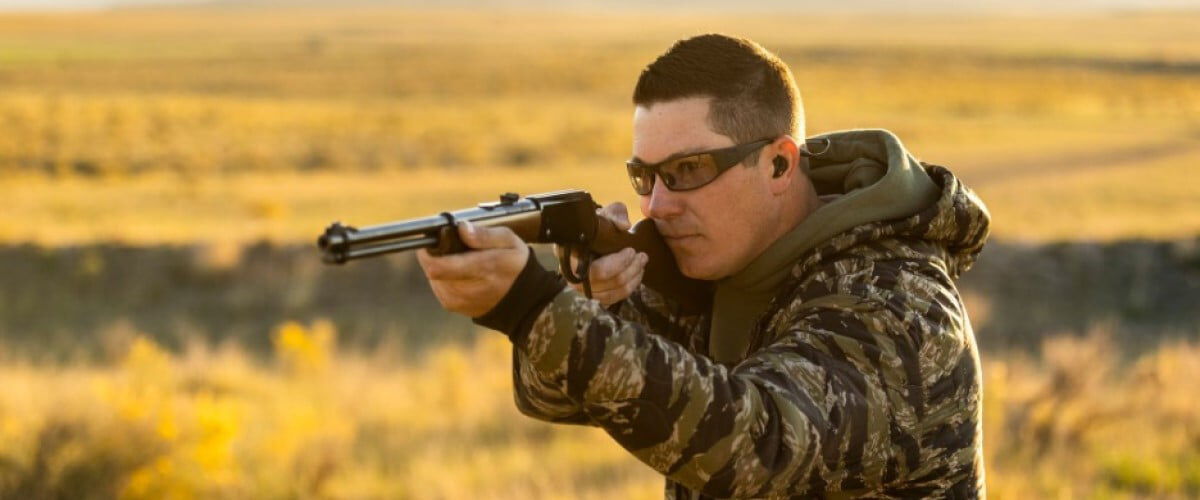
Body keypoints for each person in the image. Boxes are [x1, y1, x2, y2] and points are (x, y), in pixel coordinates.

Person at [416, 33, 989, 499]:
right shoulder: (713, 272)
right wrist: (588, 302)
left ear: (778, 165)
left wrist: (532, 305)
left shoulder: (897, 305)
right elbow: (550, 395)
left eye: (688, 170)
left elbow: (755, 447)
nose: (657, 205)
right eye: (645, 176)